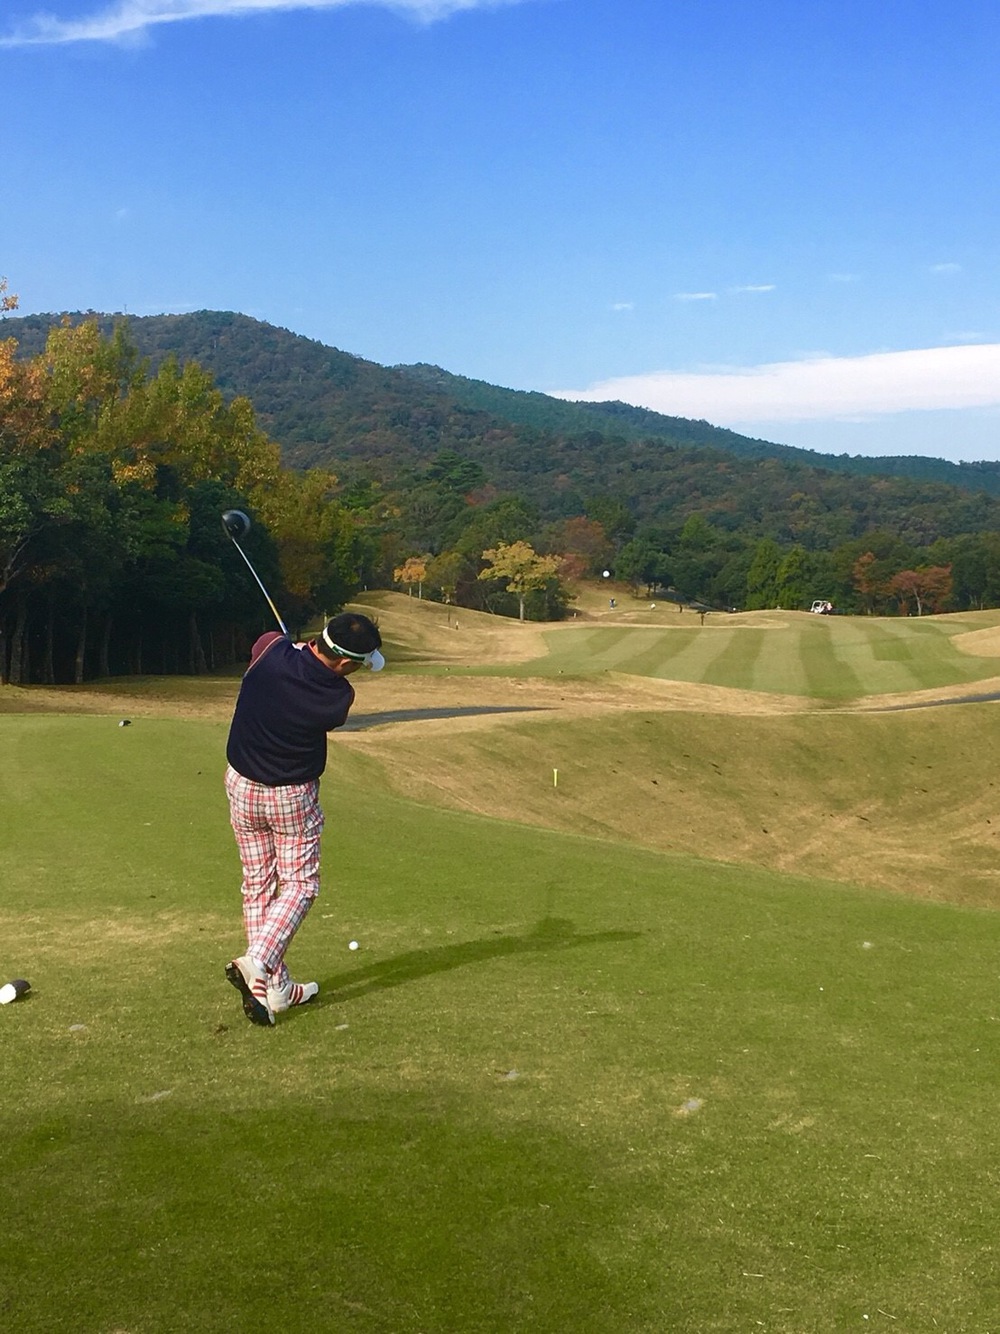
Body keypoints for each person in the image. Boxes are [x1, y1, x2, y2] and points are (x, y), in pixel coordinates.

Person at [223, 611, 384, 1026]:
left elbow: (268, 642)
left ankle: (276, 988)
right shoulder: (337, 698)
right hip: (291, 797)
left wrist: (291, 647)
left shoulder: (270, 651)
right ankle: (257, 962)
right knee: (300, 885)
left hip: (242, 786)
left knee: (258, 883)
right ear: (345, 663)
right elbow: (316, 675)